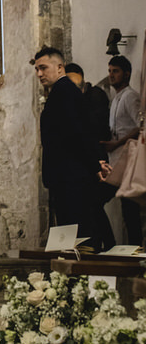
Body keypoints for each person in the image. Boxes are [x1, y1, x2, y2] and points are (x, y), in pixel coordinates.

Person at [33, 46, 103, 249]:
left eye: (43, 68)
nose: (39, 74)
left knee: (79, 238)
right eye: (37, 69)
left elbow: (78, 133)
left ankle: (79, 278)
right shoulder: (61, 92)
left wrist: (95, 164)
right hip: (67, 176)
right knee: (71, 237)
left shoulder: (65, 92)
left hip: (72, 177)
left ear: (60, 67)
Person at [64, 62, 115, 250]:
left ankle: (106, 246)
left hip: (97, 161)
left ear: (80, 78)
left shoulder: (95, 96)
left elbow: (93, 129)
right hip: (88, 162)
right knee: (92, 206)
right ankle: (103, 245)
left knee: (93, 204)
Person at [100, 55, 143, 245]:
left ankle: (133, 254)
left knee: (130, 213)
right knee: (101, 203)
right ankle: (114, 246)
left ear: (126, 73)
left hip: (127, 163)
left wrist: (117, 144)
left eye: (115, 71)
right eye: (109, 71)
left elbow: (140, 127)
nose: (111, 75)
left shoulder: (131, 96)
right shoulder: (117, 98)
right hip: (115, 162)